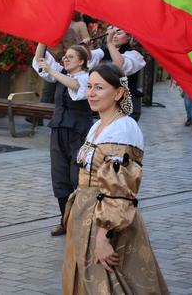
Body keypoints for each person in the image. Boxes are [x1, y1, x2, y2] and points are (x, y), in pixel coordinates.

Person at [63, 63, 168, 294]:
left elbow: (121, 188)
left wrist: (104, 237)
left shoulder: (123, 129)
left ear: (119, 92)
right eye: (89, 86)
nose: (91, 93)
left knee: (110, 283)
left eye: (99, 87)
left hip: (107, 220)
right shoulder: (99, 125)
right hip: (86, 214)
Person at [33, 43, 92, 237]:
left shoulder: (86, 77)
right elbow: (39, 61)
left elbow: (76, 86)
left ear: (81, 61)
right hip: (58, 131)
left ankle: (84, 220)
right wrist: (42, 40)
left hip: (79, 132)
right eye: (65, 56)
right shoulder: (60, 73)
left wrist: (52, 69)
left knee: (78, 176)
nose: (65, 59)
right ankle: (65, 220)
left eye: (70, 57)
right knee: (59, 177)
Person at [86, 27, 146, 121]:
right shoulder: (104, 51)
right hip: (107, 102)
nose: (114, 36)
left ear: (128, 36)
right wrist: (87, 46)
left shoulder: (135, 54)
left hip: (126, 103)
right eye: (111, 33)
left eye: (118, 33)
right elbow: (89, 58)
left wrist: (109, 43)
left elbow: (119, 65)